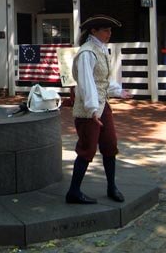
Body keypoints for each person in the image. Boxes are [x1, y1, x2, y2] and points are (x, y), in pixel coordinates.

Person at [66, 14, 132, 204]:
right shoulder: (87, 53)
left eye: (110, 30)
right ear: (93, 31)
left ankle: (112, 186)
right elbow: (86, 84)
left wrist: (119, 91)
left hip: (103, 107)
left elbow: (102, 81)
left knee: (110, 146)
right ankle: (73, 192)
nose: (109, 34)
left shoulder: (100, 50)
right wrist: (93, 110)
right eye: (106, 30)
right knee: (87, 150)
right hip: (89, 110)